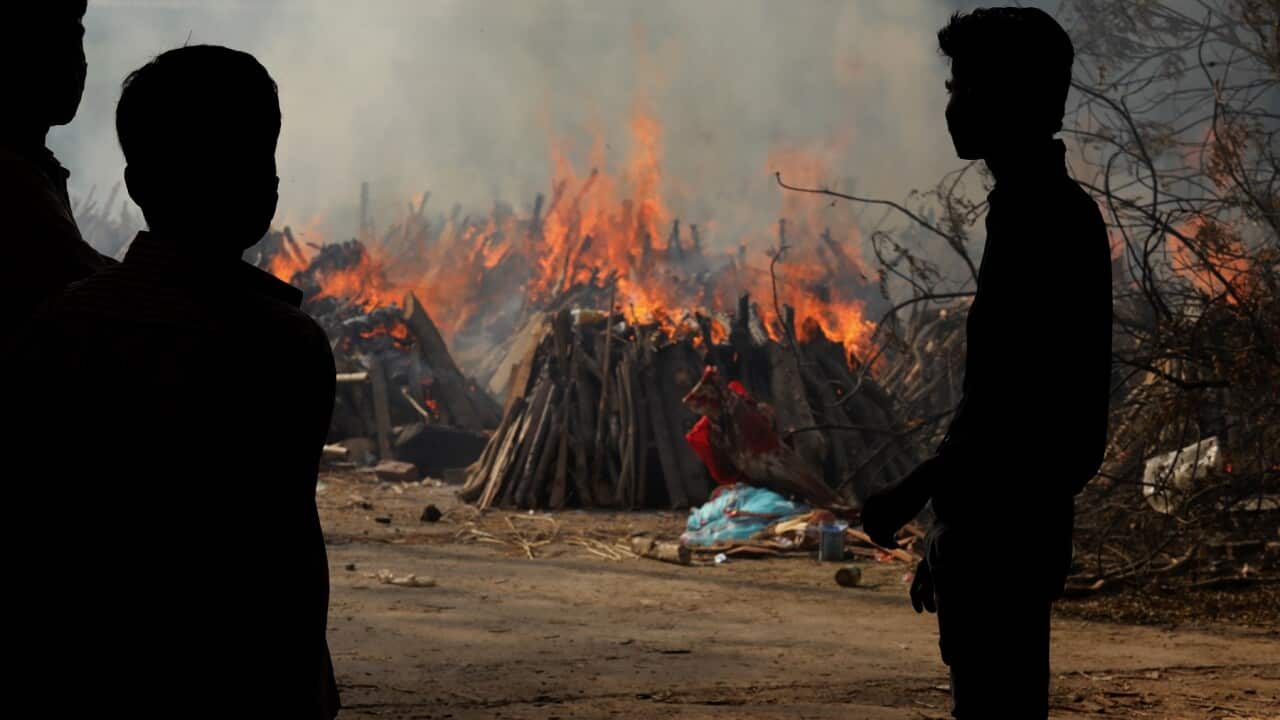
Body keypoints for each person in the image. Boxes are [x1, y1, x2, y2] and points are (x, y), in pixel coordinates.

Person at [22, 46, 339, 718]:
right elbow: (286, 552)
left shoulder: (57, 328)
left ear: (136, 185)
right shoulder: (286, 347)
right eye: (262, 160)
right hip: (237, 680)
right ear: (266, 191)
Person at [860, 8, 1112, 719]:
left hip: (1009, 532)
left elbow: (1012, 402)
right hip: (1008, 529)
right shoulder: (1040, 212)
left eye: (966, 87)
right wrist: (951, 534)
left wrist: (915, 496)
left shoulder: (1043, 221)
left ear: (1016, 98)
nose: (952, 105)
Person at [0, 2, 112, 352]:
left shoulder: (34, 167)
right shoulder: (10, 180)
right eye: (54, 39)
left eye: (76, 38)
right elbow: (80, 278)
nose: (77, 63)